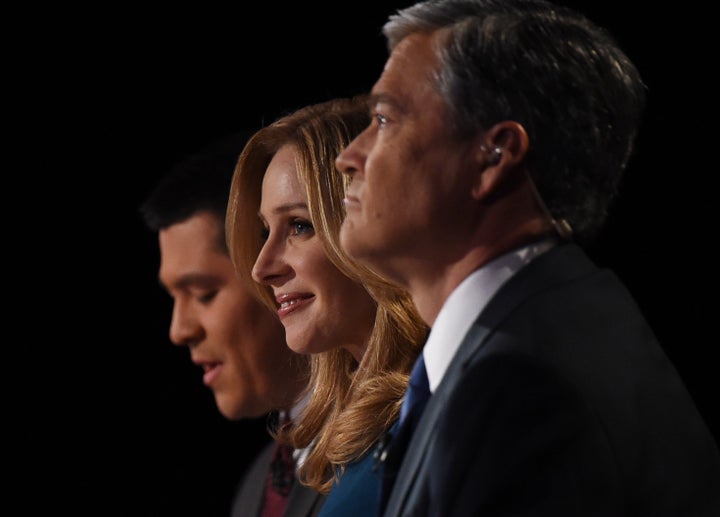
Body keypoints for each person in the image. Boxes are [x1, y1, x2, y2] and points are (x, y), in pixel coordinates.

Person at [335, 0, 720, 515]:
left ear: (494, 156)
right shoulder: (553, 328)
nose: (348, 157)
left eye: (384, 119)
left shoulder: (520, 386)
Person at [226, 96, 428, 516]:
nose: (262, 268)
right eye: (265, 231)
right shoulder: (344, 436)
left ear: (373, 228)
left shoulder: (444, 407)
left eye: (300, 225)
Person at [139, 132, 325, 517]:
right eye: (173, 298)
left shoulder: (385, 446)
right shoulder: (257, 483)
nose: (179, 330)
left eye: (204, 293)